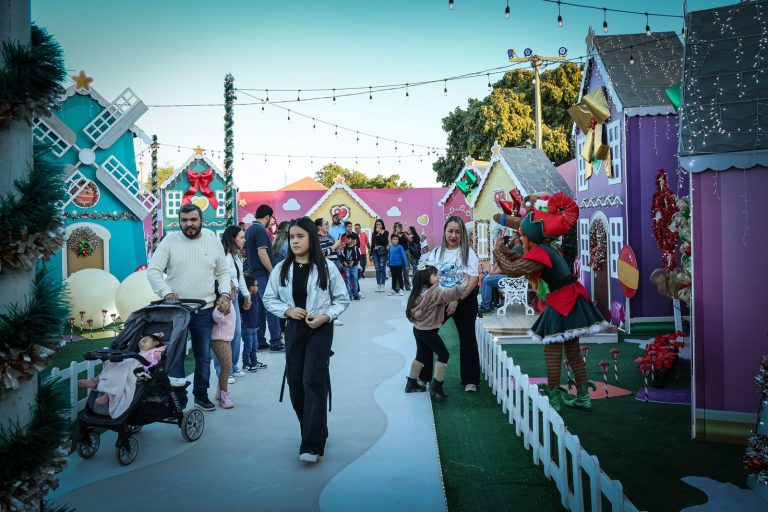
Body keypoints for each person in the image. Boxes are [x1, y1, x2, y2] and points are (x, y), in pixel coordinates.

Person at [493, 192, 609, 411]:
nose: (521, 239)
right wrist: (506, 251)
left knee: (553, 353)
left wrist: (497, 250)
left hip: (563, 303)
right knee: (573, 352)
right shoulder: (546, 250)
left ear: (527, 236)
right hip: (571, 297)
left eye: (522, 235)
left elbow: (513, 270)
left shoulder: (540, 254)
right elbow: (521, 260)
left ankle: (555, 400)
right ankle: (583, 397)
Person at [263, 217, 350, 463]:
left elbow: (342, 299)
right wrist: (288, 311)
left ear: (311, 238)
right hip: (293, 329)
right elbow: (269, 299)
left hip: (320, 330)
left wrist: (326, 316)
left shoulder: (326, 268)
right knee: (296, 385)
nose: (295, 241)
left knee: (313, 380)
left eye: (300, 236)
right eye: (291, 237)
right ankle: (315, 428)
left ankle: (312, 444)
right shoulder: (281, 269)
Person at [147, 203, 231, 411]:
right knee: (175, 355)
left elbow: (223, 272)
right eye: (184, 221)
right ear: (179, 222)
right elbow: (153, 270)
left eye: (193, 220)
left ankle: (201, 395)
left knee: (203, 355)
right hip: (177, 310)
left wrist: (226, 294)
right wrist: (166, 292)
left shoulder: (213, 242)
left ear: (202, 220)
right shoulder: (169, 241)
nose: (189, 224)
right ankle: (179, 399)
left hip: (205, 309)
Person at [419, 216, 481, 392]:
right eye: (450, 231)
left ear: (462, 234)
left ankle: (470, 380)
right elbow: (430, 277)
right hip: (441, 299)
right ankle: (424, 377)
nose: (454, 235)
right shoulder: (437, 253)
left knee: (467, 338)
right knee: (426, 332)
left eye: (458, 231)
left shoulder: (468, 253)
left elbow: (472, 280)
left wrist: (457, 299)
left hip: (465, 300)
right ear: (445, 232)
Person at [405, 265, 466, 399]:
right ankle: (437, 385)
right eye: (435, 275)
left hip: (418, 328)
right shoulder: (434, 292)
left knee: (421, 355)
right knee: (444, 354)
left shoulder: (417, 292)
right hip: (428, 330)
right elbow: (447, 295)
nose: (438, 277)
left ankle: (411, 382)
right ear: (426, 278)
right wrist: (460, 288)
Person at [79, 333, 166, 418]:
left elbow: (154, 362)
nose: (141, 345)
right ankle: (96, 381)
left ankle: (107, 395)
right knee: (112, 365)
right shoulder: (139, 353)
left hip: (139, 366)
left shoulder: (158, 351)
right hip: (131, 362)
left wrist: (143, 368)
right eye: (139, 345)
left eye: (145, 341)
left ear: (156, 342)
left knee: (120, 374)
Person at [213, 226, 252, 383]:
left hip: (234, 298)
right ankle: (223, 371)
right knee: (222, 337)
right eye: (242, 237)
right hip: (224, 299)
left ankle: (233, 366)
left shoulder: (236, 256)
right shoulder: (223, 256)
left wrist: (247, 295)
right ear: (232, 238)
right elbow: (218, 276)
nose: (244, 240)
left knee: (236, 333)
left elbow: (240, 277)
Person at [244, 204, 284, 352]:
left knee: (259, 309)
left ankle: (260, 341)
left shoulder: (249, 229)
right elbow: (262, 253)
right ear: (268, 217)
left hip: (254, 274)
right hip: (263, 274)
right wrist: (273, 271)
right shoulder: (260, 230)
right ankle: (276, 342)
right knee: (271, 308)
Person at [315, 217, 345, 325]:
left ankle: (332, 315)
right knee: (328, 292)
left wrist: (338, 247)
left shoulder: (328, 237)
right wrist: (334, 247)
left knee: (333, 291)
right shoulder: (317, 239)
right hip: (326, 267)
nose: (328, 225)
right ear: (319, 226)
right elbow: (322, 253)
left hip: (333, 266)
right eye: (326, 224)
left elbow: (332, 250)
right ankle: (332, 316)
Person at [211, 294, 236, 408]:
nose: (234, 291)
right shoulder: (222, 301)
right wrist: (220, 310)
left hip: (226, 339)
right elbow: (216, 317)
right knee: (227, 367)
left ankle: (219, 393)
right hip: (219, 340)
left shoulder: (231, 301)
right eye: (232, 289)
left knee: (226, 367)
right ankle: (224, 397)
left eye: (235, 289)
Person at [341, 232, 361, 300]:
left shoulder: (356, 248)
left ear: (352, 240)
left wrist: (353, 261)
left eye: (348, 239)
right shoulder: (345, 248)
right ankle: (349, 295)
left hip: (354, 267)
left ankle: (355, 295)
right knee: (348, 281)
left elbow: (358, 257)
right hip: (347, 268)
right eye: (347, 239)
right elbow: (342, 257)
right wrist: (344, 262)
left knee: (355, 280)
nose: (346, 240)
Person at [371, 219, 389, 293]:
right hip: (375, 252)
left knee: (382, 268)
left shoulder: (386, 232)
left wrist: (380, 233)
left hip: (383, 252)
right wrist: (370, 254)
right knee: (377, 269)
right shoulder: (373, 233)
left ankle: (383, 285)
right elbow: (372, 244)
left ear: (382, 225)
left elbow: (384, 241)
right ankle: (378, 285)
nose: (378, 226)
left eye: (379, 224)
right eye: (377, 224)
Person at [393, 222, 412, 291]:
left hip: (406, 252)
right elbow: (393, 242)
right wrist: (396, 234)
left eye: (399, 227)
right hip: (398, 253)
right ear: (394, 228)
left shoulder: (404, 234)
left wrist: (405, 235)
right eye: (396, 227)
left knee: (406, 270)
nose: (398, 228)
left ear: (401, 227)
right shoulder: (393, 235)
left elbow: (410, 240)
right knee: (398, 270)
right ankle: (398, 287)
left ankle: (407, 286)